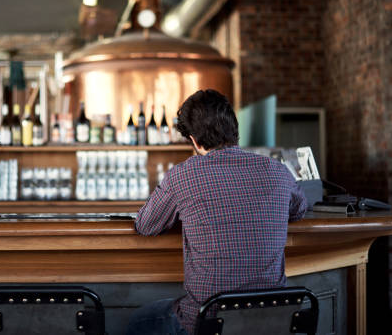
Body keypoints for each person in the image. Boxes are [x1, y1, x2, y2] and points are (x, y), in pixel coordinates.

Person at [126, 89, 308, 335]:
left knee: (138, 321)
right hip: (275, 319)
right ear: (235, 130)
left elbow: (145, 226)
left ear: (194, 140)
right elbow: (299, 209)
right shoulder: (277, 170)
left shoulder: (182, 176)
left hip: (208, 322)